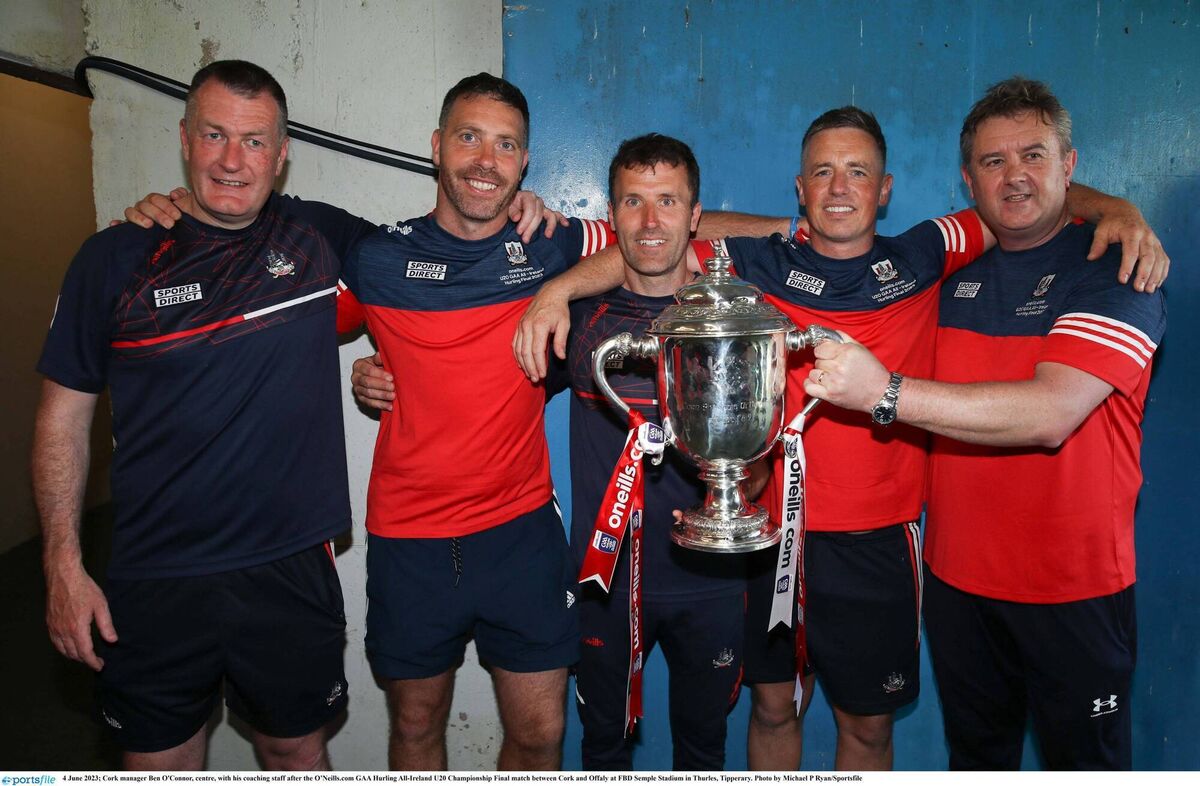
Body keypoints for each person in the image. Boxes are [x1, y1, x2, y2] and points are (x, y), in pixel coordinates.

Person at [510, 107, 1166, 771]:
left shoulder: (927, 252)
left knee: (868, 731)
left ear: (884, 189)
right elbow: (644, 250)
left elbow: (1025, 196)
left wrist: (1116, 207)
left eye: (858, 172)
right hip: (768, 536)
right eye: (823, 172)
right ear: (801, 189)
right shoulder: (761, 261)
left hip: (877, 544)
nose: (840, 187)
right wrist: (555, 293)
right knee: (773, 709)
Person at [807, 77, 1166, 771]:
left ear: (1069, 164)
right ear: (969, 180)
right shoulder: (947, 271)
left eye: (1033, 155)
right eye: (993, 162)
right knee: (977, 763)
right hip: (957, 584)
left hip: (1074, 591)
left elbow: (1051, 412)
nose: (1015, 177)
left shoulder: (1115, 267)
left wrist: (885, 393)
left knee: (1085, 769)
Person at [33, 59, 378, 770]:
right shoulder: (114, 258)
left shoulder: (319, 242)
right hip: (155, 572)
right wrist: (62, 565)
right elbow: (60, 422)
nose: (231, 160)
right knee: (160, 765)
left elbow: (445, 265)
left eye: (254, 141)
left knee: (295, 753)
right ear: (185, 139)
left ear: (281, 157)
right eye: (215, 134)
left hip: (289, 566)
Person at [549, 134, 747, 769]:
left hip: (711, 580)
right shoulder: (578, 321)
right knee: (602, 751)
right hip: (605, 579)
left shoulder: (733, 319)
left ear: (696, 217)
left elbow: (761, 451)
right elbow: (482, 385)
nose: (651, 221)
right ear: (612, 215)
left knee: (703, 750)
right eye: (633, 202)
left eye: (668, 202)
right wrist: (387, 376)